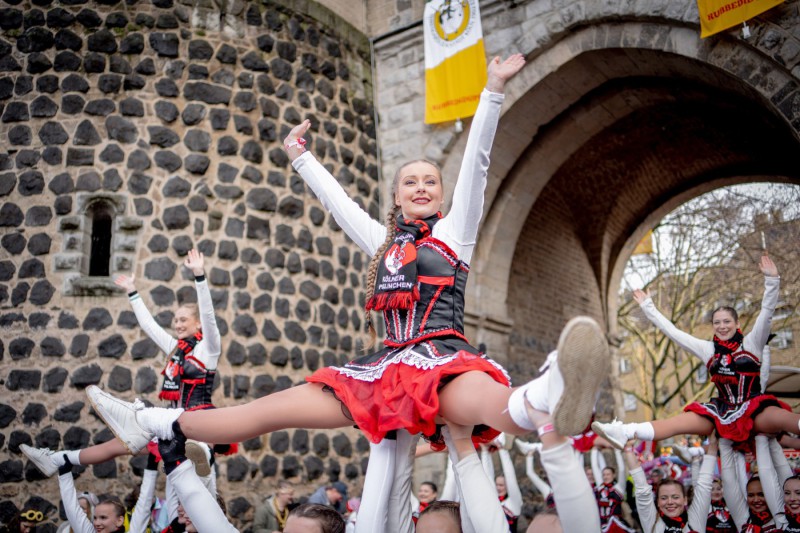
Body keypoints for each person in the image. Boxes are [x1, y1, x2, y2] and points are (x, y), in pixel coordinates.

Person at [85, 53, 609, 523]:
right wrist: (301, 158)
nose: (422, 187)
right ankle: (150, 421)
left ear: (441, 194)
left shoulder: (456, 233)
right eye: (411, 182)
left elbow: (477, 164)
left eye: (430, 181)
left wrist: (492, 90)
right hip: (380, 370)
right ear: (398, 196)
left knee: (496, 404)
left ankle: (550, 393)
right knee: (258, 415)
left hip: (441, 362)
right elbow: (340, 206)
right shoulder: (382, 243)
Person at [20, 249, 221, 478]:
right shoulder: (175, 349)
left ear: (198, 325)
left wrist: (199, 275)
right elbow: (148, 325)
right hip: (171, 421)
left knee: (200, 472)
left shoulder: (209, 348)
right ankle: (56, 459)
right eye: (175, 320)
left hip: (200, 420)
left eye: (183, 319)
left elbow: (209, 315)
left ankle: (202, 453)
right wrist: (133, 292)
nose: (177, 324)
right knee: (118, 445)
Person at [594, 256, 797, 449]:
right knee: (678, 423)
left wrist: (772, 280)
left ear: (737, 323)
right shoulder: (708, 349)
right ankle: (624, 431)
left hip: (754, 410)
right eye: (717, 323)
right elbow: (673, 333)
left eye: (727, 322)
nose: (722, 326)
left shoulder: (752, 342)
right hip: (722, 412)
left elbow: (767, 312)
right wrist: (649, 307)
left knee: (783, 418)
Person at [625, 433, 719, 532]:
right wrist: (628, 449)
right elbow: (641, 487)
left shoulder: (695, 519)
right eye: (664, 498)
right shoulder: (652, 522)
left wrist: (712, 442)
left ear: (685, 500)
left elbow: (705, 483)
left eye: (675, 497)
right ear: (658, 502)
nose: (670, 502)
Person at [595, 465, 635, 533]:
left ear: (613, 475)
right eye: (604, 475)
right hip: (602, 524)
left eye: (608, 474)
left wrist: (618, 453)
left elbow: (622, 469)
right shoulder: (600, 488)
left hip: (616, 523)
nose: (605, 477)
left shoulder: (618, 487)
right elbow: (595, 467)